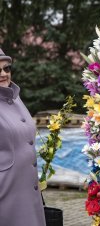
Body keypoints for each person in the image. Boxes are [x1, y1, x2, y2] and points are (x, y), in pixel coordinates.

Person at [0, 48, 46, 226]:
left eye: (6, 68)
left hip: (27, 192)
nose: (3, 74)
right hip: (6, 196)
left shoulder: (14, 96)